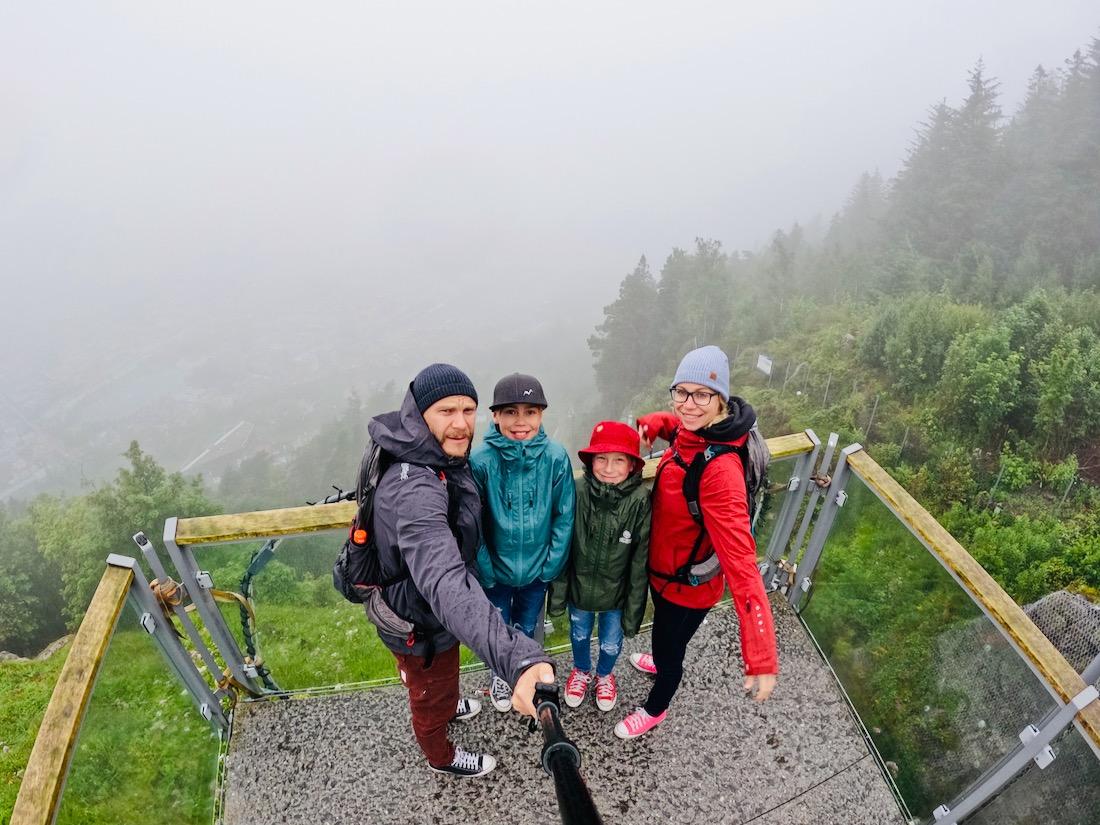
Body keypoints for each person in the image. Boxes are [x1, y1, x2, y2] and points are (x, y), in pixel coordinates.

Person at [366, 363, 555, 776]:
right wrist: (517, 659)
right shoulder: (415, 486)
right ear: (419, 414)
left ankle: (448, 701)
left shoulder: (427, 455)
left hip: (430, 615)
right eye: (446, 411)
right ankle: (441, 756)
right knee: (427, 696)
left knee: (442, 682)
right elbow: (444, 578)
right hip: (417, 623)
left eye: (468, 410)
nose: (461, 424)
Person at [616, 345, 778, 740]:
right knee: (671, 640)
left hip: (685, 587)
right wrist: (658, 422)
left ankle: (656, 707)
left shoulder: (720, 472)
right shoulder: (703, 433)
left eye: (701, 395)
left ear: (721, 400)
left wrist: (760, 654)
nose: (688, 404)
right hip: (681, 575)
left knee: (671, 650)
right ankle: (662, 658)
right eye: (681, 393)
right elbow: (683, 431)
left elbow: (742, 565)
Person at [470, 373, 576, 712]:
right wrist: (485, 570)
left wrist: (550, 567)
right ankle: (503, 676)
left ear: (541, 415)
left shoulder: (556, 457)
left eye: (530, 411)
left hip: (536, 571)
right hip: (495, 573)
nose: (521, 422)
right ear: (495, 415)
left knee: (527, 626)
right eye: (511, 412)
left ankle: (526, 672)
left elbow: (564, 515)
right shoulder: (480, 461)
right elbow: (473, 524)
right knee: (498, 630)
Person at [548, 420, 650, 713]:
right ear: (590, 461)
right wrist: (558, 595)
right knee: (579, 633)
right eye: (601, 459)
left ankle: (604, 675)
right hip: (579, 588)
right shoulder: (577, 491)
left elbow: (640, 560)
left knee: (609, 641)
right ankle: (581, 670)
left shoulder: (640, 500)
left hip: (617, 595)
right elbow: (562, 543)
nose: (608, 468)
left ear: (632, 465)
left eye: (619, 460)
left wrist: (633, 610)